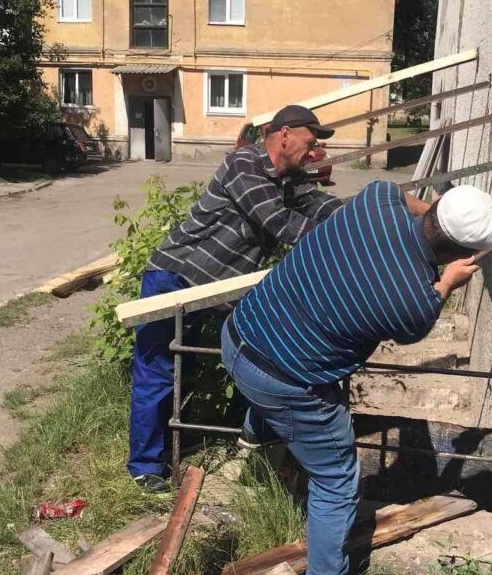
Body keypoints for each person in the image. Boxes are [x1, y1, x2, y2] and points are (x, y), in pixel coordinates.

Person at [221, 182, 492, 575]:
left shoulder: (375, 200)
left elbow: (407, 200)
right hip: (282, 382)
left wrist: (435, 216)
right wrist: (449, 281)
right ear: (464, 254)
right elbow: (425, 309)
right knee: (336, 480)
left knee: (285, 359)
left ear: (436, 205)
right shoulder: (414, 304)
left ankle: (256, 433)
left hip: (240, 334)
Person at [128, 105, 342, 492]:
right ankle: (146, 466)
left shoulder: (287, 179)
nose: (313, 152)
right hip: (174, 277)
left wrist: (365, 214)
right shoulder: (244, 164)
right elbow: (279, 222)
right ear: (284, 136)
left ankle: (179, 440)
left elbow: (318, 204)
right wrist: (342, 240)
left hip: (213, 289)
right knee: (157, 370)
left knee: (189, 366)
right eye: (309, 142)